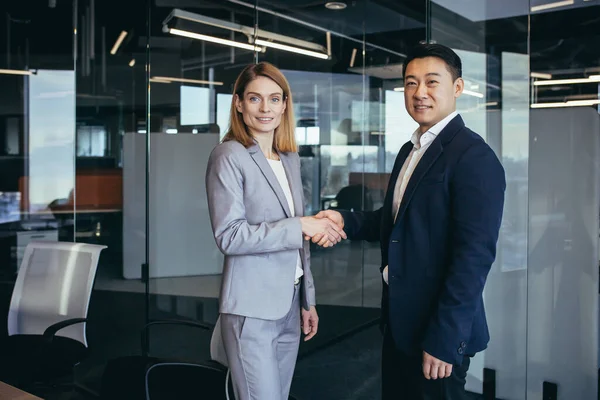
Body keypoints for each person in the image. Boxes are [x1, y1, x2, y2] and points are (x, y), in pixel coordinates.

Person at [313, 43, 506, 399]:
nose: (420, 93)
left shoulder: (473, 157)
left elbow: (473, 258)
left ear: (457, 88)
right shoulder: (411, 149)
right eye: (411, 83)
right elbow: (395, 222)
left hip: (437, 333)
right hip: (401, 324)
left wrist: (445, 338)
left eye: (432, 82)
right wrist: (344, 219)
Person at [205, 61, 346, 400]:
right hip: (251, 309)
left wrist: (307, 300)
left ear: (285, 104)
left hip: (288, 305)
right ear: (238, 103)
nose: (265, 108)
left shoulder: (289, 159)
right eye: (254, 99)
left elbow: (297, 241)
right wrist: (301, 225)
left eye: (274, 99)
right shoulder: (229, 155)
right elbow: (230, 235)